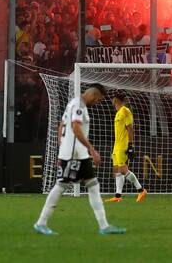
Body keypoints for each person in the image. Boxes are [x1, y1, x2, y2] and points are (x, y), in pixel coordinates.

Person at [34, 83, 126, 235]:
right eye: (98, 100)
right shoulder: (78, 105)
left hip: (78, 154)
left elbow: (61, 126)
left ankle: (104, 226)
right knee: (61, 185)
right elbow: (75, 128)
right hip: (73, 155)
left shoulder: (73, 103)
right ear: (93, 95)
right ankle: (41, 223)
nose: (97, 103)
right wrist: (91, 149)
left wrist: (60, 150)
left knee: (93, 185)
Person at [106, 92, 147, 203]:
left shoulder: (125, 111)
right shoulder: (118, 112)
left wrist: (130, 146)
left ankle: (141, 190)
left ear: (115, 100)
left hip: (123, 145)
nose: (112, 101)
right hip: (116, 145)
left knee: (123, 170)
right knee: (116, 170)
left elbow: (130, 129)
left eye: (113, 99)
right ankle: (118, 196)